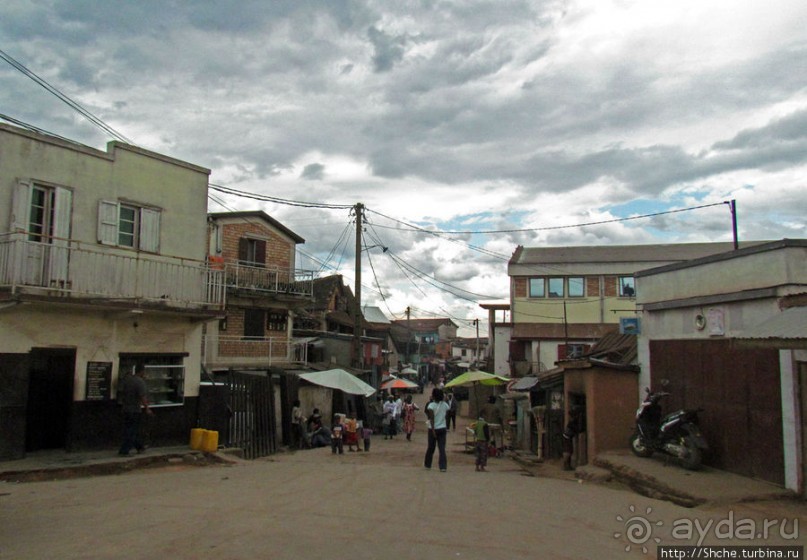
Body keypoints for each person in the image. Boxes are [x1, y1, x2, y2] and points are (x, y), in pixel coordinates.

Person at [118, 364, 153, 456]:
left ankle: (139, 446)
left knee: (130, 429)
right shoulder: (140, 382)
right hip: (134, 409)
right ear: (142, 372)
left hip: (125, 408)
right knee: (132, 430)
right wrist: (147, 408)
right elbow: (142, 397)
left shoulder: (128, 380)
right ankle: (124, 451)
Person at [424, 387, 450, 472]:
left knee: (431, 447)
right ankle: (443, 466)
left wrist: (433, 430)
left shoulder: (431, 406)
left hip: (433, 429)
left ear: (434, 396)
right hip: (442, 428)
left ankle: (428, 464)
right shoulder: (445, 405)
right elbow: (447, 412)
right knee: (442, 448)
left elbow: (432, 419)